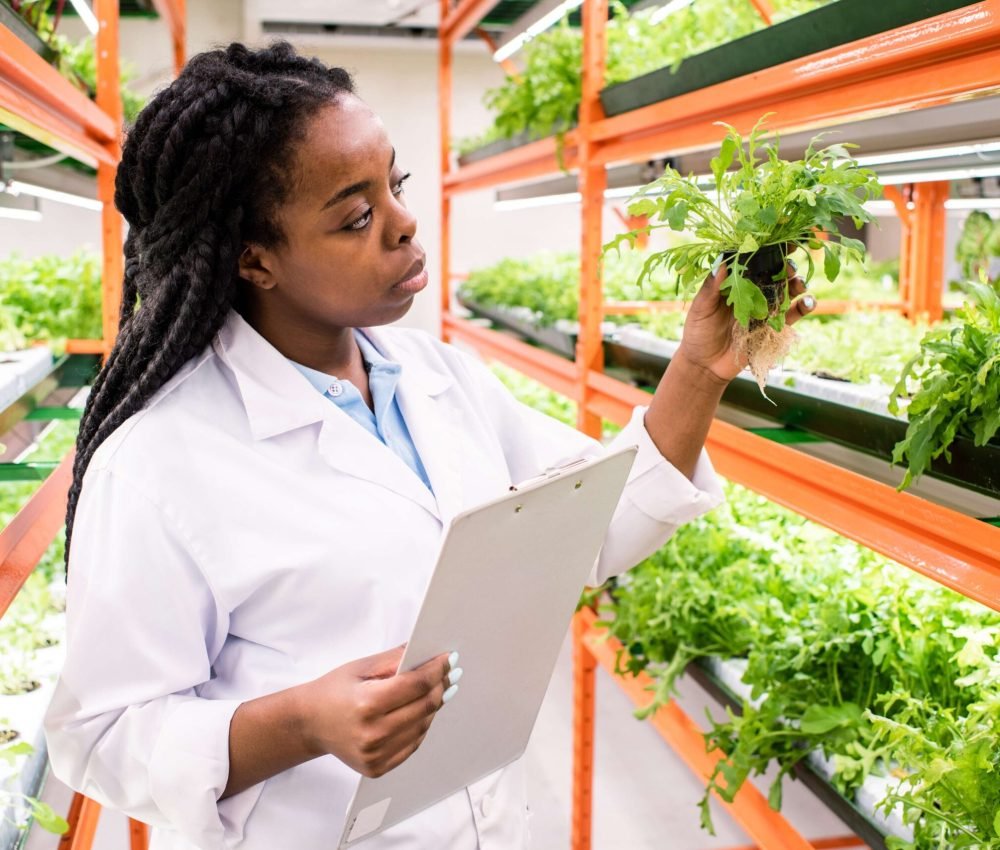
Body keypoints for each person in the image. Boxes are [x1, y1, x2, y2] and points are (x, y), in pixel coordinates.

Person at [43, 41, 814, 850]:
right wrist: (301, 722)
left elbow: (590, 526)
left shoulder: (440, 379)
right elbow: (97, 736)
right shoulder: (159, 460)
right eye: (356, 216)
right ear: (256, 261)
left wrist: (699, 369)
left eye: (396, 184)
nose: (404, 222)